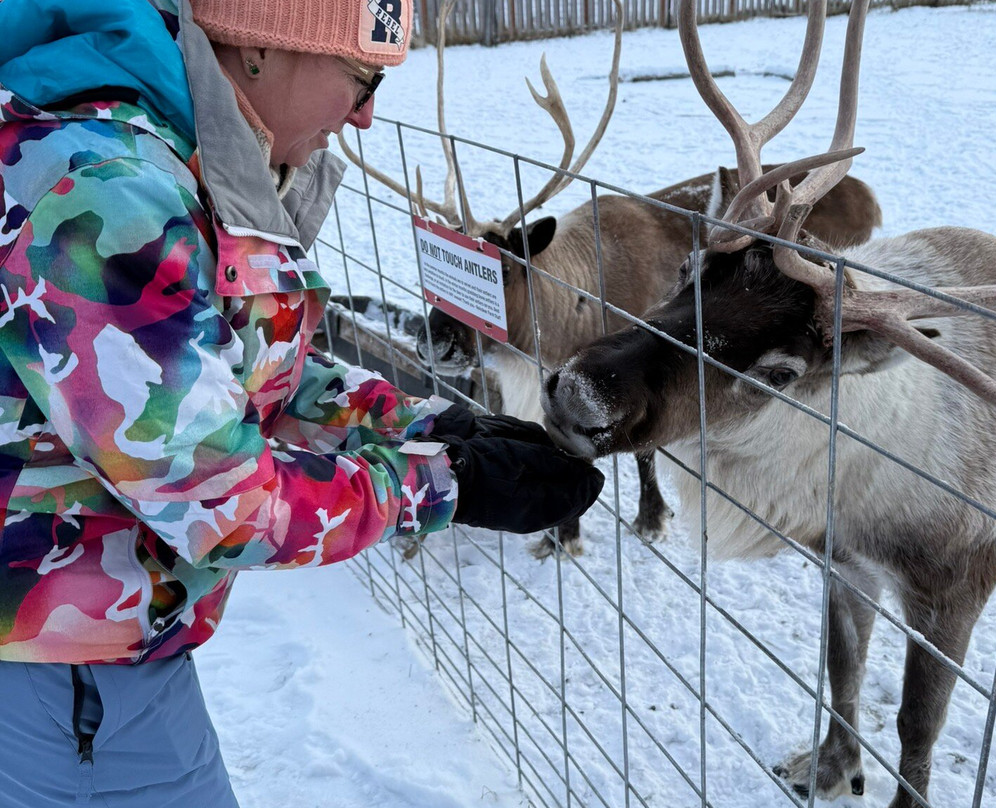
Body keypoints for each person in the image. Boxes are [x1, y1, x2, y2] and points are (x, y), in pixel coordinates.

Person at [0, 0, 604, 805]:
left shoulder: (184, 159)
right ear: (259, 46)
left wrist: (424, 420)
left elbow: (238, 368)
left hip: (94, 651)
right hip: (64, 666)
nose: (363, 117)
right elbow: (222, 502)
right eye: (359, 80)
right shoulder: (107, 193)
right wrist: (446, 483)